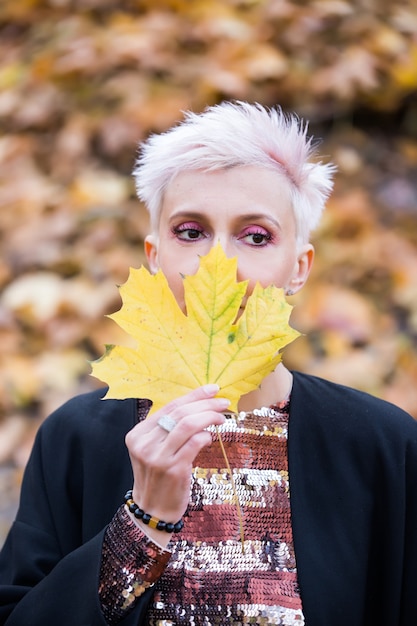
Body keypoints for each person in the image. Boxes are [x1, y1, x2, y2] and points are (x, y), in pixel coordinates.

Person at [0, 101, 416, 626]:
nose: (218, 264)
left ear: (299, 267)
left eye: (256, 236)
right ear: (154, 256)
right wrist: (142, 524)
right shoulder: (76, 439)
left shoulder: (381, 445)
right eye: (191, 232)